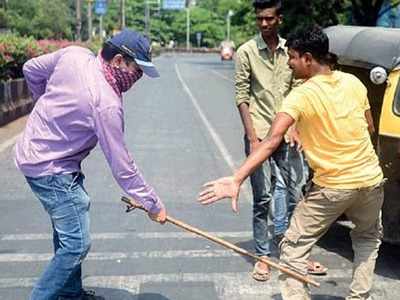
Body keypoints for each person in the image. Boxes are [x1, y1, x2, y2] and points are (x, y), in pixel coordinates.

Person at [198, 25, 384, 300]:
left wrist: (237, 179)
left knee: (293, 248)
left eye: (293, 57)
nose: (289, 62)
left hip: (332, 186)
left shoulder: (301, 95)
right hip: (371, 181)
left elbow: (271, 140)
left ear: (308, 58)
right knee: (367, 239)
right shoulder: (353, 83)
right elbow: (368, 127)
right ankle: (359, 297)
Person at [14, 29, 167, 300]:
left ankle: (71, 294)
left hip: (31, 152)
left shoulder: (74, 55)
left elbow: (30, 69)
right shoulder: (105, 104)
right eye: (137, 70)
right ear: (119, 60)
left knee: (66, 235)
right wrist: (153, 204)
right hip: (54, 172)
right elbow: (122, 167)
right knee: (76, 245)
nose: (138, 78)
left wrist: (45, 104)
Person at [234, 0, 307, 281]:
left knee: (295, 193)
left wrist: (295, 127)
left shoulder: (292, 52)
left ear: (279, 19)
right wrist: (252, 138)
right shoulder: (246, 52)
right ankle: (263, 256)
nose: (263, 24)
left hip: (287, 132)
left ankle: (292, 253)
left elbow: (298, 90)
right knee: (263, 197)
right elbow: (241, 96)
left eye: (268, 19)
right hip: (260, 133)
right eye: (259, 19)